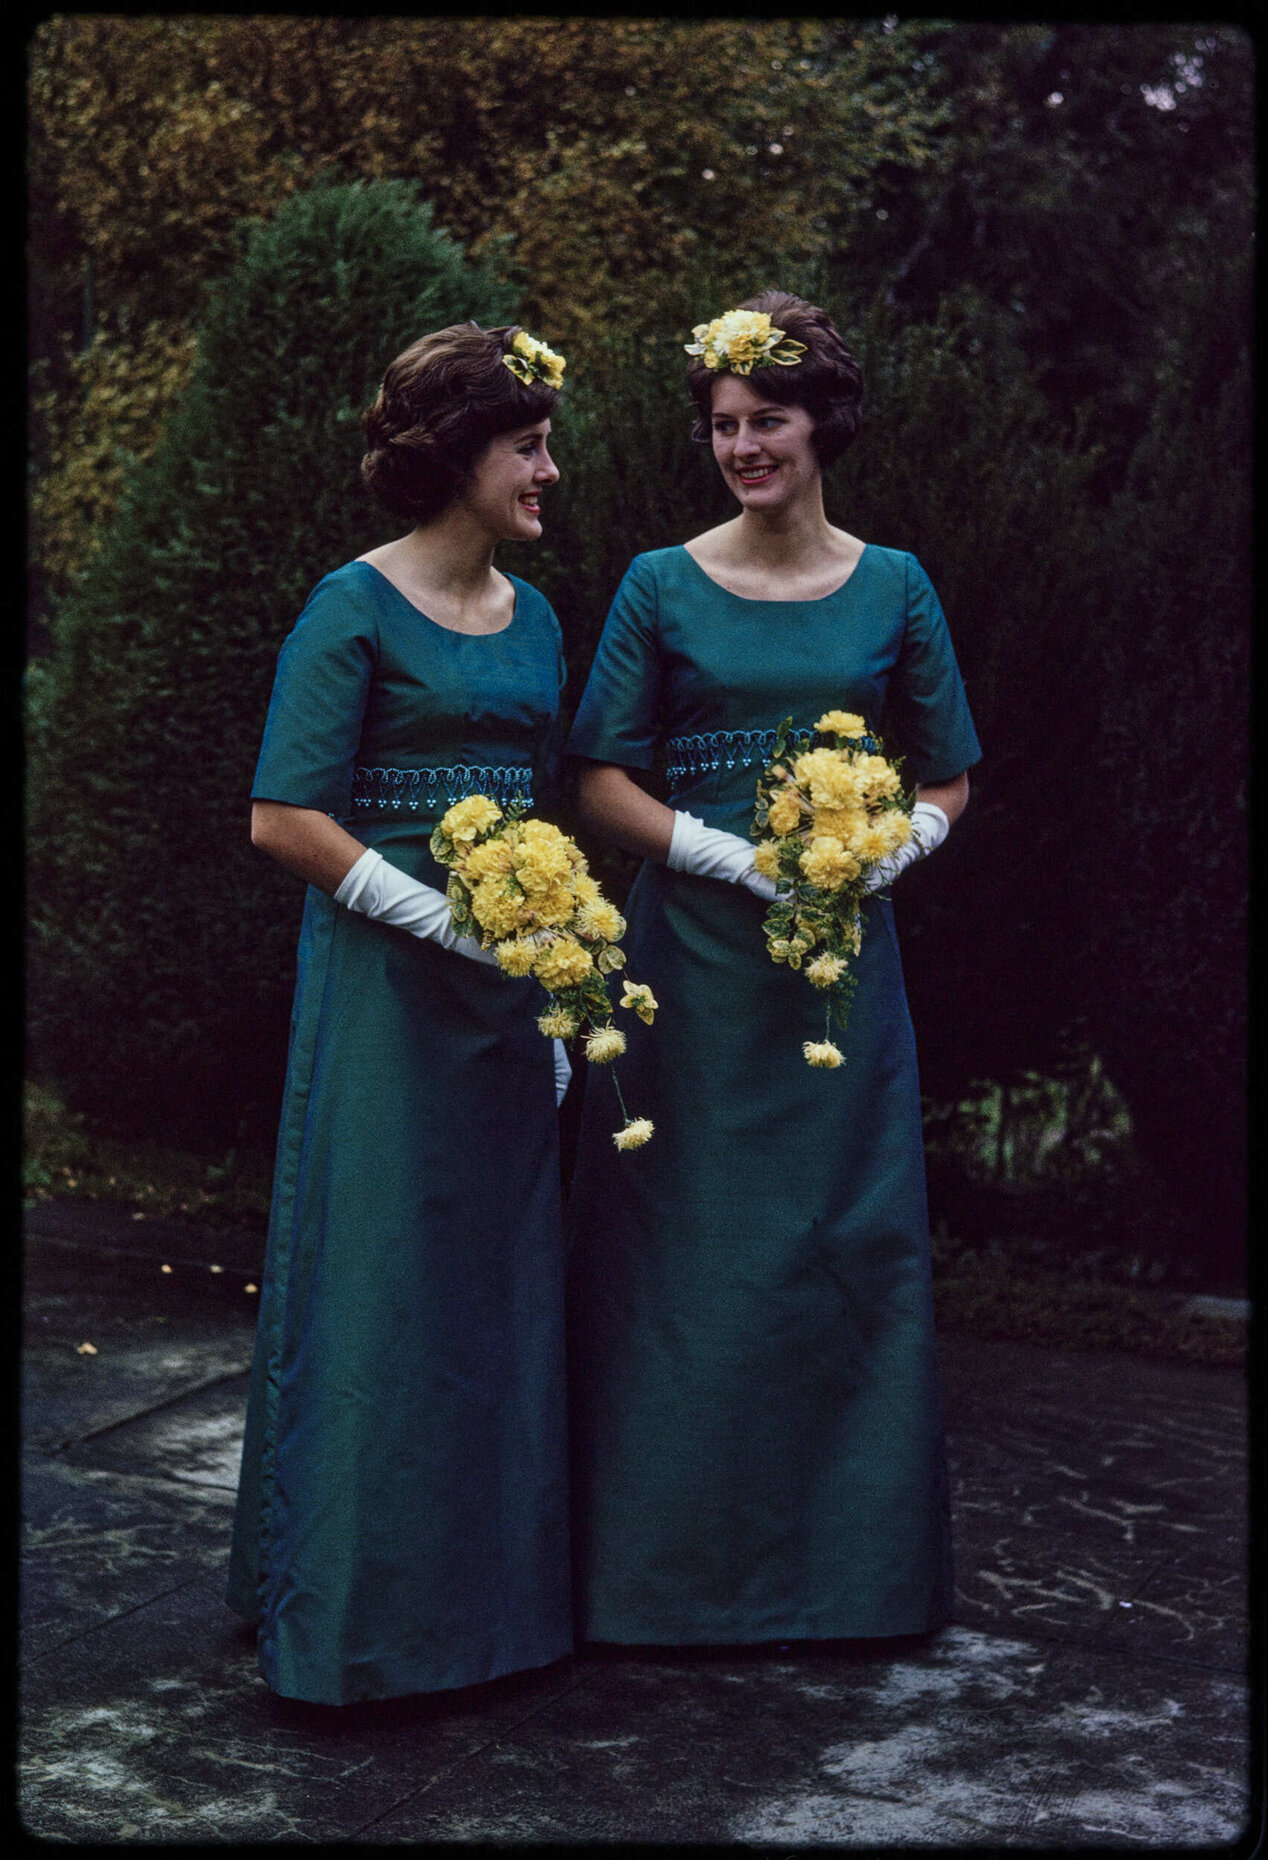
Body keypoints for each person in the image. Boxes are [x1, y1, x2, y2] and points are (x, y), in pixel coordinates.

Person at [563, 291, 982, 1647]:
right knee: (686, 1258)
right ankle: (659, 1581)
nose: (744, 446)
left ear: (823, 425)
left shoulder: (898, 583)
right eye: (725, 425)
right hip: (689, 971)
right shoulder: (658, 583)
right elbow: (599, 782)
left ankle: (851, 1581)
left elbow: (952, 772)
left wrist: (892, 851)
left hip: (837, 973)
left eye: (769, 421)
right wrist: (732, 860)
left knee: (839, 1249)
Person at [226, 320, 575, 1703]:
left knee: (498, 1288)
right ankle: (358, 1627)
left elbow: (539, 807)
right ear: (459, 457)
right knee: (383, 1282)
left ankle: (492, 1618)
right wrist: (435, 916)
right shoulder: (351, 607)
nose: (551, 471)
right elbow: (280, 817)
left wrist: (547, 965)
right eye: (530, 447)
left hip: (510, 1000)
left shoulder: (539, 616)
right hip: (385, 989)